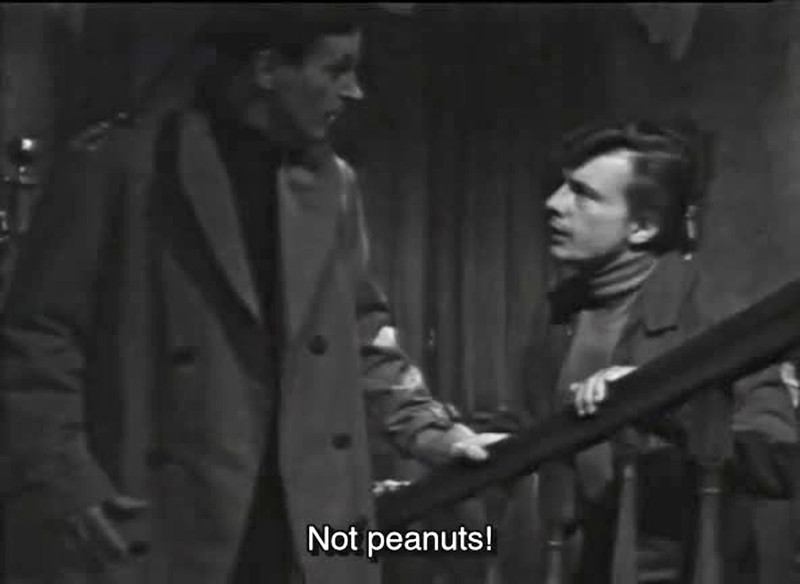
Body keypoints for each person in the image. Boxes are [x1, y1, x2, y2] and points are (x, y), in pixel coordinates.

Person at [0, 5, 505, 584]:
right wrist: (67, 480)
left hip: (308, 526)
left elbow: (362, 334)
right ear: (267, 69)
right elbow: (38, 341)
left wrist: (433, 432)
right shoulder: (121, 168)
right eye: (336, 69)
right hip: (171, 521)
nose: (354, 91)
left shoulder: (335, 185)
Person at [523, 120, 798, 583]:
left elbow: (780, 460)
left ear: (644, 226)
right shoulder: (557, 312)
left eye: (583, 194)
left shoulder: (714, 312)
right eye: (561, 186)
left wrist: (658, 403)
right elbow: (540, 429)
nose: (554, 204)